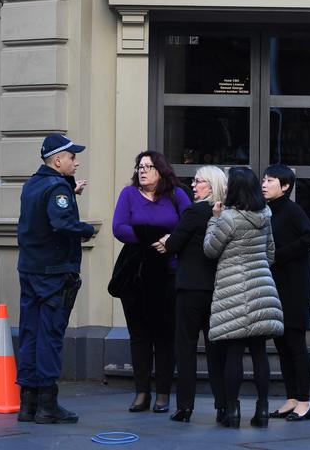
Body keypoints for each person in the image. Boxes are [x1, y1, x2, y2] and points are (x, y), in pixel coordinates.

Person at [16, 133, 95, 425]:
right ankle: (48, 406)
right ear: (58, 160)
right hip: (53, 274)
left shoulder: (33, 184)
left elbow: (41, 213)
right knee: (49, 337)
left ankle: (28, 404)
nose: (77, 161)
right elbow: (61, 222)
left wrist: (69, 191)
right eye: (72, 157)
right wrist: (85, 228)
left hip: (30, 270)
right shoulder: (57, 187)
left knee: (30, 334)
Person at [204, 166, 283, 429]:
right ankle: (262, 410)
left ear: (235, 187)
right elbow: (271, 253)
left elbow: (210, 250)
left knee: (234, 353)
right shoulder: (266, 215)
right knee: (260, 352)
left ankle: (233, 410)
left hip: (234, 291)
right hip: (262, 288)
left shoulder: (228, 218)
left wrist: (213, 219)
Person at [112, 150, 191, 414]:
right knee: (140, 336)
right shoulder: (128, 194)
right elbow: (118, 227)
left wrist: (170, 241)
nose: (142, 171)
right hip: (137, 275)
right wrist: (150, 237)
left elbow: (188, 226)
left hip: (168, 273)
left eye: (148, 166)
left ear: (161, 170)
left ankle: (163, 393)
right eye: (139, 167)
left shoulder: (176, 194)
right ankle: (142, 392)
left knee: (165, 336)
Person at [153, 165, 228, 423]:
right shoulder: (225, 213)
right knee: (216, 350)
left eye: (198, 182)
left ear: (211, 185)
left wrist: (166, 240)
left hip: (190, 289)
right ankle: (223, 406)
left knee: (185, 348)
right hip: (217, 288)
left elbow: (174, 245)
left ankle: (185, 407)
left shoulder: (194, 211)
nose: (193, 186)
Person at [262, 163, 310, 422]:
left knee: (295, 345)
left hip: (295, 289)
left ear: (285, 186)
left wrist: (279, 256)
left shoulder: (292, 210)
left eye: (270, 180)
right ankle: (291, 398)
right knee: (282, 346)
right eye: (264, 179)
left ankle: (305, 402)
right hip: (276, 288)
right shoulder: (267, 211)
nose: (264, 183)